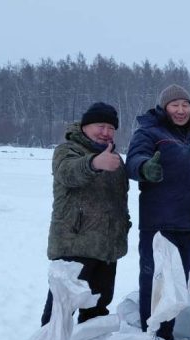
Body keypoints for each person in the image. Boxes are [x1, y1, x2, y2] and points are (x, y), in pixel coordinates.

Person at [126, 84, 190, 340]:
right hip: (160, 222)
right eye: (175, 105)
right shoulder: (149, 131)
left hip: (188, 223)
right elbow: (133, 160)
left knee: (178, 282)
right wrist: (145, 167)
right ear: (164, 107)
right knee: (155, 280)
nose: (180, 110)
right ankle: (151, 334)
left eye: (185, 105)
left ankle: (167, 333)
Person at [41, 102, 130, 326]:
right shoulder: (68, 150)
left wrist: (123, 227)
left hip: (107, 248)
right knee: (60, 311)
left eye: (111, 128)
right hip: (75, 245)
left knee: (97, 310)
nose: (106, 132)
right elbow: (67, 173)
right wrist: (94, 163)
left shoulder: (115, 159)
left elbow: (120, 199)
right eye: (100, 126)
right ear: (85, 126)